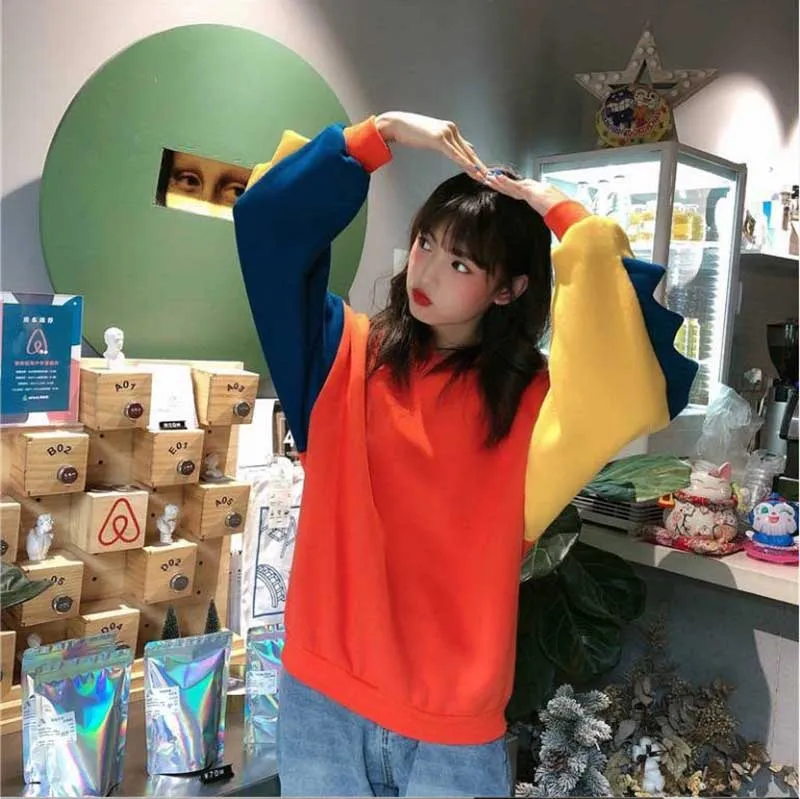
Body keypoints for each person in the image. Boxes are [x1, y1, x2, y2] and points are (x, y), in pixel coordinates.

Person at [233, 112, 697, 797]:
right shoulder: (343, 359)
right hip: (324, 704)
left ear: (508, 289)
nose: (426, 270)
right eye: (425, 243)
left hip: (451, 735)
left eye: (461, 263)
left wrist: (563, 215)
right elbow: (266, 227)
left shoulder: (534, 410)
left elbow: (634, 379)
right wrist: (381, 133)